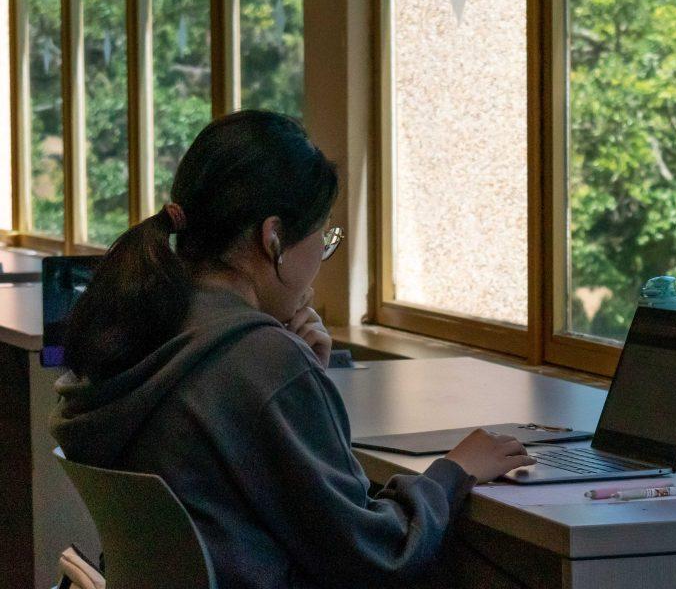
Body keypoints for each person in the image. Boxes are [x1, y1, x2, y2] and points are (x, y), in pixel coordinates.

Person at [50, 110, 535, 588]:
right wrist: (455, 472)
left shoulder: (141, 322)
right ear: (274, 237)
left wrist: (305, 381)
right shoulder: (260, 359)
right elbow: (379, 555)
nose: (321, 257)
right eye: (323, 236)